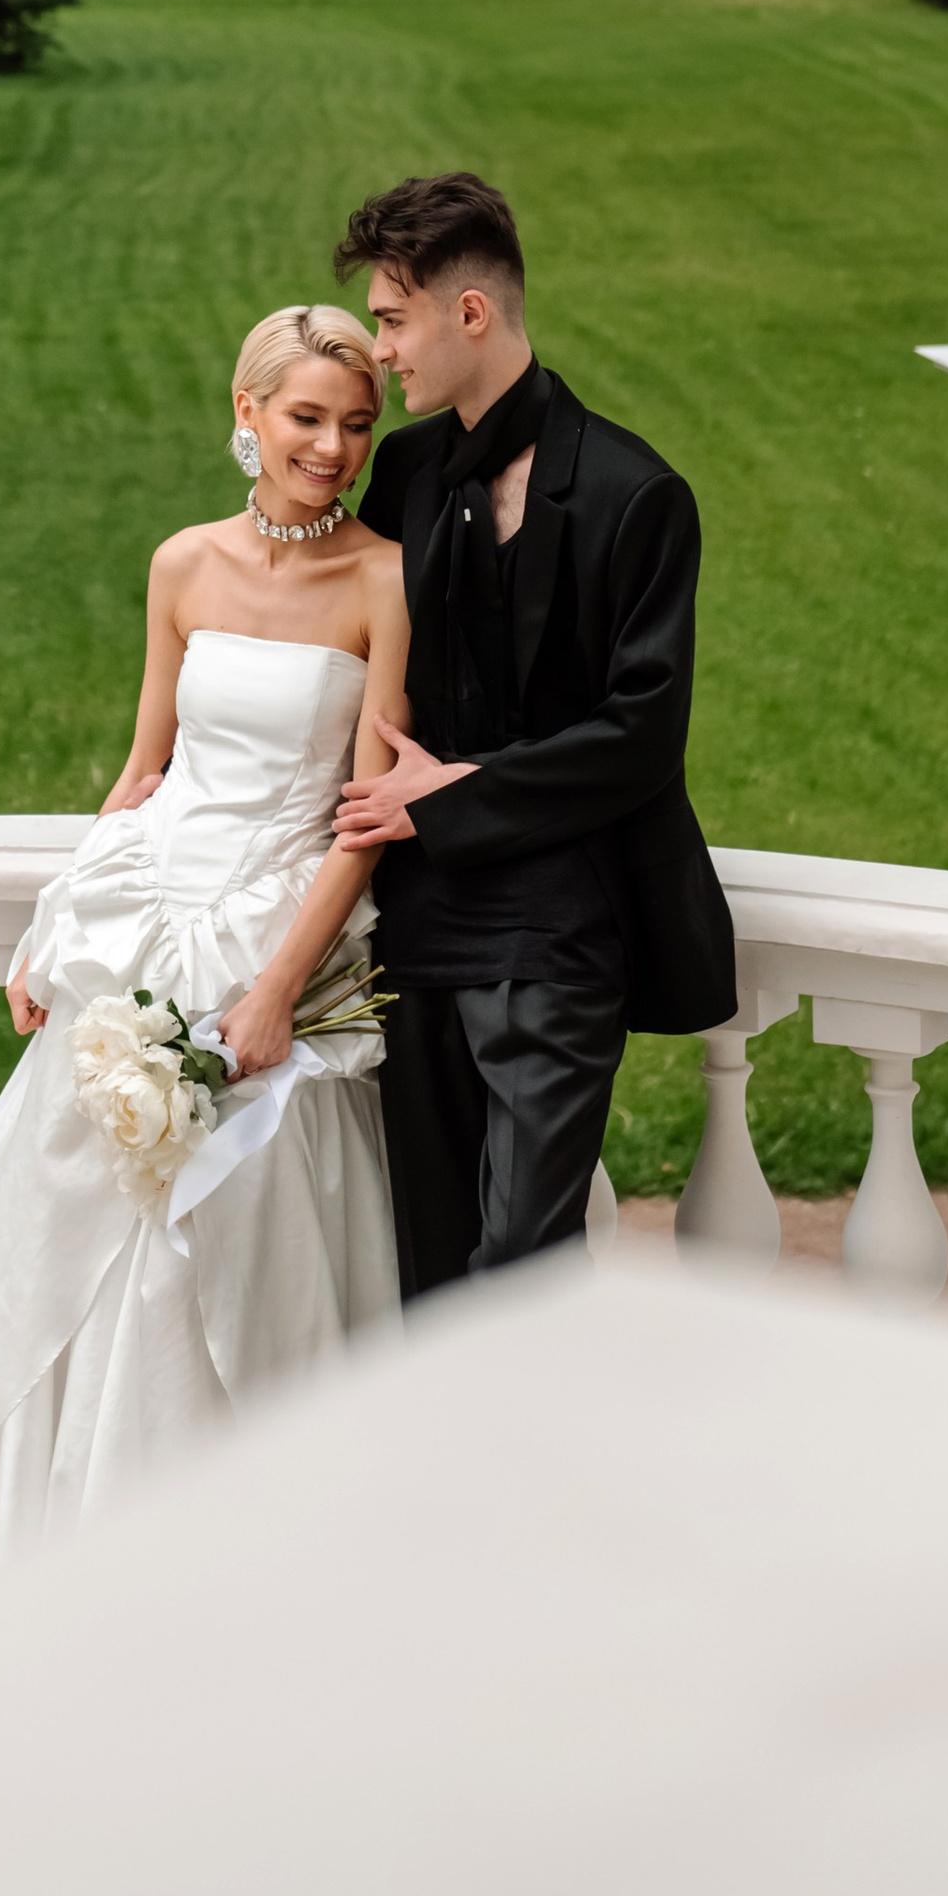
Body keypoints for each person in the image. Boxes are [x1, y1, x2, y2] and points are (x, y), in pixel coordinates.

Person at [0, 306, 404, 1587]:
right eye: (306, 417)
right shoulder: (181, 565)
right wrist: (53, 928)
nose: (331, 448)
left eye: (356, 423)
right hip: (145, 921)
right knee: (72, 1227)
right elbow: (144, 767)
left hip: (274, 936)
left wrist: (278, 991)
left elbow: (365, 823)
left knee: (227, 1235)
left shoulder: (385, 578)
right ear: (246, 410)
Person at [331, 172, 736, 1291]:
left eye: (392, 320)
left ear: (470, 313)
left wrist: (447, 794)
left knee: (522, 1268)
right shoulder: (402, 473)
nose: (382, 353)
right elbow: (327, 639)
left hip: (555, 936)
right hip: (409, 928)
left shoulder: (633, 491)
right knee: (429, 1267)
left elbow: (642, 732)